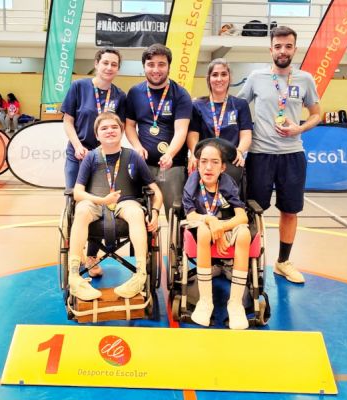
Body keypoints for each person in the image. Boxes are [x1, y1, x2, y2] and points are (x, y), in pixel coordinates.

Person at [237, 26, 321, 284]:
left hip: (292, 155)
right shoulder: (256, 77)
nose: (282, 51)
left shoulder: (305, 79)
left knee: (290, 210)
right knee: (253, 210)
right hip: (260, 155)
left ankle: (283, 262)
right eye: (278, 46)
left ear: (295, 49)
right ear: (270, 49)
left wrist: (300, 128)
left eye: (288, 46)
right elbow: (237, 107)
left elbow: (317, 114)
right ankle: (248, 261)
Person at [68, 112, 163, 301]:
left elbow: (157, 192)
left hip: (125, 203)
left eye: (114, 127)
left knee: (136, 212)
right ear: (97, 135)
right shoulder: (91, 157)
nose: (110, 131)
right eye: (104, 128)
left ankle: (140, 274)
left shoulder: (133, 156)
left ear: (121, 131)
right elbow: (77, 193)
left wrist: (155, 212)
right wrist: (102, 200)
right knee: (81, 209)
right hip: (96, 202)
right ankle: (74, 276)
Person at [62, 48, 127, 275]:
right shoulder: (79, 87)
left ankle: (91, 257)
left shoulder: (120, 96)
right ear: (97, 64)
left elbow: (119, 128)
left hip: (103, 159)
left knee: (98, 205)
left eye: (114, 64)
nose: (109, 67)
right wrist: (77, 145)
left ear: (118, 69)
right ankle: (75, 255)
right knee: (76, 203)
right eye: (105, 62)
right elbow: (68, 121)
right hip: (78, 155)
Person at [182, 138, 251, 330]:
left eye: (215, 162)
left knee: (244, 234)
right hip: (201, 226)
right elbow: (191, 215)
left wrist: (221, 228)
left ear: (223, 167)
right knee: (204, 231)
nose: (208, 167)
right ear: (197, 164)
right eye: (204, 161)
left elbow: (242, 217)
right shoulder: (192, 182)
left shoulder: (227, 183)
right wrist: (210, 221)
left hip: (227, 226)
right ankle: (205, 301)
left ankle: (235, 304)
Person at [125, 43, 192, 219]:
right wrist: (137, 147)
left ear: (169, 66)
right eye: (151, 64)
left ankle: (176, 239)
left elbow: (181, 130)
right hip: (144, 166)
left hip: (173, 166)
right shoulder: (134, 93)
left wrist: (169, 154)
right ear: (144, 67)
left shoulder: (181, 94)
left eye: (161, 64)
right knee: (142, 215)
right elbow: (129, 126)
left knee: (175, 215)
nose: (156, 69)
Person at [187, 58, 253, 180]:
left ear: (229, 78)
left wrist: (239, 151)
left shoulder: (240, 105)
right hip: (205, 162)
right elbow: (193, 135)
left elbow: (246, 135)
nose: (219, 79)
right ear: (208, 79)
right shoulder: (197, 105)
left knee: (230, 190)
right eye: (215, 75)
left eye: (223, 74)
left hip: (231, 161)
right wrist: (194, 154)